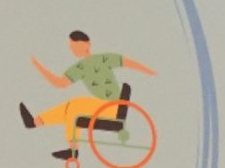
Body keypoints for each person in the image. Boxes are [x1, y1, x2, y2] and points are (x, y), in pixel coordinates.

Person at [20, 30, 153, 153]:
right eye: (71, 46)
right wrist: (38, 66)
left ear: (87, 44)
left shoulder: (103, 59)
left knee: (75, 107)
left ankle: (73, 150)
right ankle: (35, 122)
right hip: (104, 106)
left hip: (111, 108)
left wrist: (150, 72)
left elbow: (127, 62)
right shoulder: (80, 68)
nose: (73, 49)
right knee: (70, 107)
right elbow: (60, 83)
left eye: (76, 45)